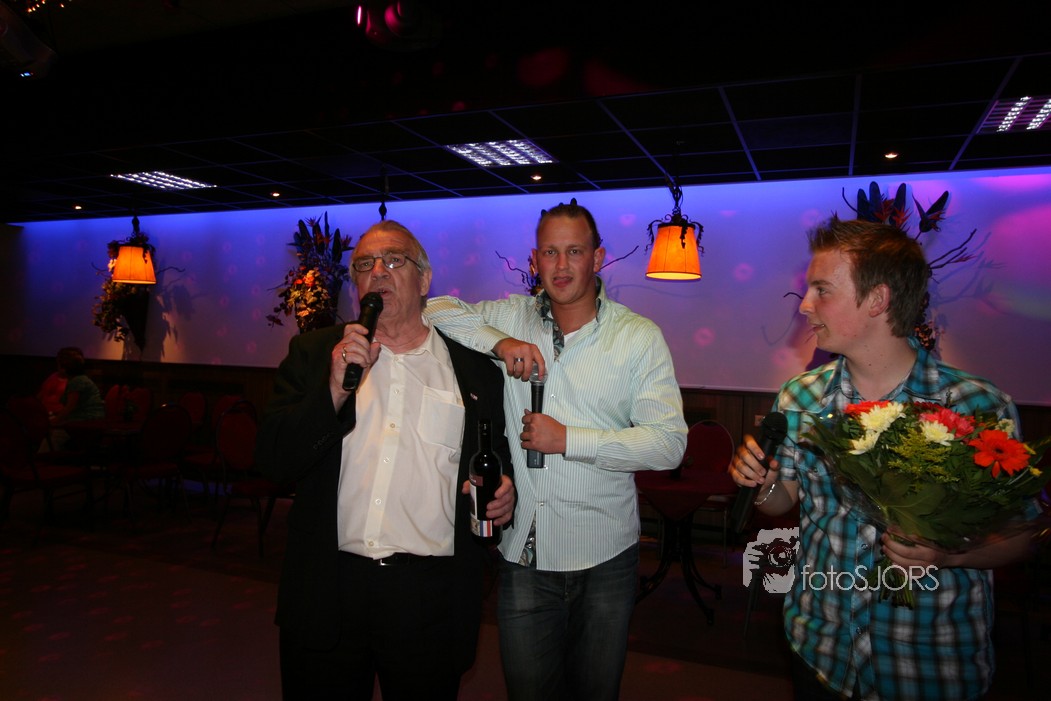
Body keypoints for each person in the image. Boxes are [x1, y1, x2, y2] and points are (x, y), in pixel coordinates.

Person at [730, 216, 1039, 700]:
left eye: (822, 290)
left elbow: (1024, 534)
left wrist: (948, 554)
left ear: (877, 299)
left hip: (928, 662)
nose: (805, 304)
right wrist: (763, 481)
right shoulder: (800, 397)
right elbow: (781, 500)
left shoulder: (975, 405)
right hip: (821, 650)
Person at [425, 200, 687, 701]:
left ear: (598, 257)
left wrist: (569, 439)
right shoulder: (510, 316)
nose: (561, 265)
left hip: (604, 557)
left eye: (575, 251)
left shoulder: (638, 337)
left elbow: (669, 444)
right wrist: (500, 343)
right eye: (550, 252)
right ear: (534, 260)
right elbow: (433, 309)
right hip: (524, 558)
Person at [256, 220, 516, 701]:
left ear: (425, 278)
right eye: (363, 265)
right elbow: (274, 461)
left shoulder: (474, 371)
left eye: (394, 260)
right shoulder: (315, 353)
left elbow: (495, 461)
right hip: (328, 589)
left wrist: (504, 493)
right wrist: (334, 390)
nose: (377, 272)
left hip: (429, 599)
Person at [47, 347, 105, 450]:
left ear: (63, 367)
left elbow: (70, 407)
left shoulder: (76, 382)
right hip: (89, 421)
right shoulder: (81, 379)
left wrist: (54, 421)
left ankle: (42, 456)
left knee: (52, 437)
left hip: (84, 422)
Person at [37, 346, 75, 415]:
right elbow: (41, 394)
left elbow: (71, 406)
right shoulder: (53, 376)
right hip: (43, 412)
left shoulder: (74, 381)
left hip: (57, 415)